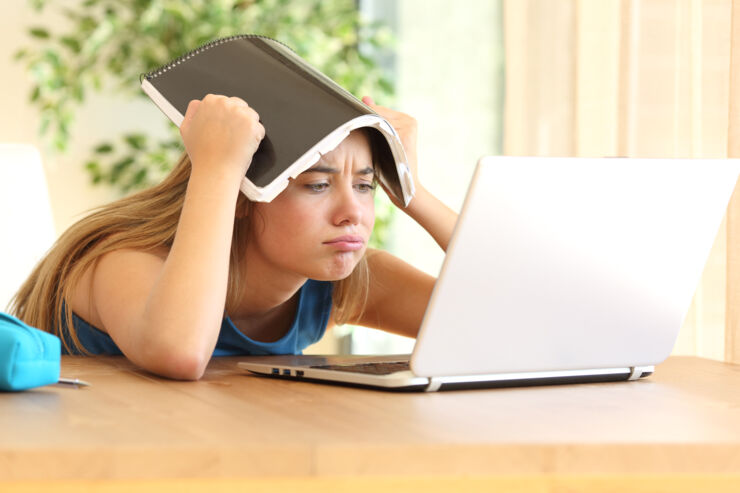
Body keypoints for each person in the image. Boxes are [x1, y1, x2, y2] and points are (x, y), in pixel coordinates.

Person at [10, 95, 457, 380]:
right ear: (244, 194)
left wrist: (414, 192)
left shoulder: (345, 277)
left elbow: (511, 325)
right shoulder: (122, 259)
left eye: (366, 185)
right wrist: (218, 168)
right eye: (317, 186)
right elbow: (179, 353)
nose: (352, 214)